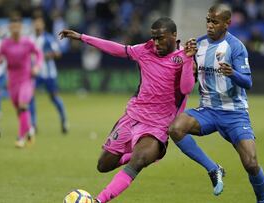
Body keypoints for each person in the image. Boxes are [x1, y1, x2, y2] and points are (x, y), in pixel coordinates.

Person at [59, 17, 195, 203]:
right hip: (132, 118)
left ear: (174, 36)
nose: (156, 43)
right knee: (103, 165)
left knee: (137, 163)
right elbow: (117, 49)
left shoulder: (183, 57)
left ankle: (99, 200)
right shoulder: (144, 50)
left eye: (161, 38)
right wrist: (82, 37)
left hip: (157, 125)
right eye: (154, 38)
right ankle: (146, 155)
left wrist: (188, 60)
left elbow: (187, 89)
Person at [168, 4, 264, 203]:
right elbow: (190, 78)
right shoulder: (198, 45)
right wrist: (187, 61)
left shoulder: (236, 47)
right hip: (208, 110)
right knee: (175, 128)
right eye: (208, 20)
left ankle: (262, 200)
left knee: (251, 163)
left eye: (215, 21)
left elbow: (248, 82)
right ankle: (214, 169)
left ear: (227, 23)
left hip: (234, 113)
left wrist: (233, 73)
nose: (209, 25)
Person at [0, 14, 43, 148]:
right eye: (13, 26)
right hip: (12, 82)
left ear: (21, 27)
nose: (15, 29)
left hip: (26, 80)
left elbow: (39, 54)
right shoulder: (5, 44)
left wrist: (37, 66)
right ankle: (30, 129)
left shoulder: (27, 42)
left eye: (17, 26)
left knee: (23, 105)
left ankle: (20, 138)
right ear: (9, 27)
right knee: (19, 111)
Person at [29, 16, 68, 134]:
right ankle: (33, 124)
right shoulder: (29, 39)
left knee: (54, 97)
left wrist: (44, 56)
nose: (37, 25)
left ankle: (64, 120)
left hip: (49, 74)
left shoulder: (48, 38)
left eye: (39, 23)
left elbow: (58, 53)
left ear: (43, 25)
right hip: (35, 73)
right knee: (30, 97)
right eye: (35, 23)